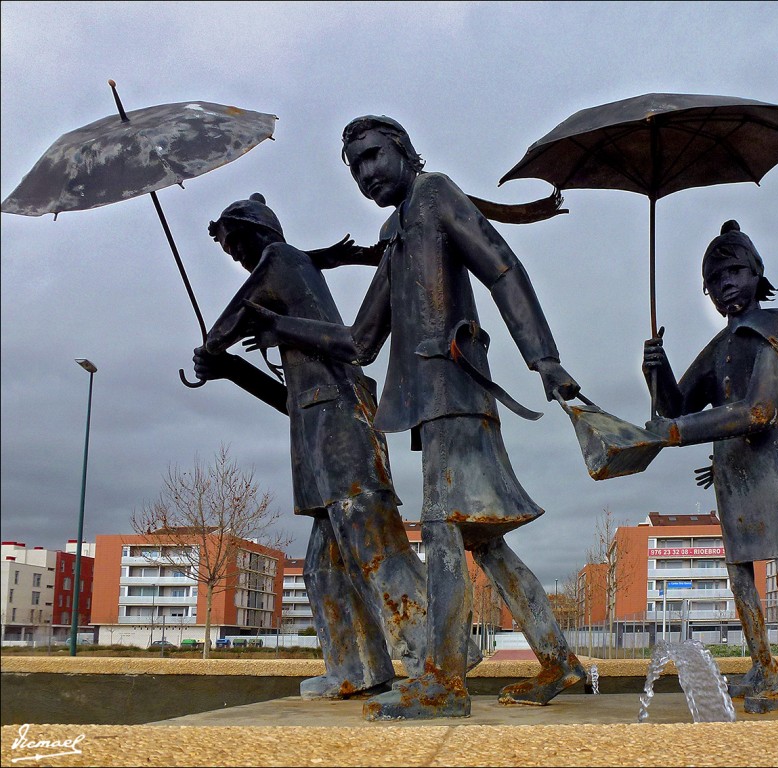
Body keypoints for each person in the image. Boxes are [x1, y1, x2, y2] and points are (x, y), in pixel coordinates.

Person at [241, 115, 585, 721]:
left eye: (373, 156)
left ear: (403, 150)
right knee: (486, 541)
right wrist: (278, 326)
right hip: (432, 406)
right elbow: (359, 340)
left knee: (445, 528)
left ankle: (442, 683)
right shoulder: (396, 228)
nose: (366, 172)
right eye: (355, 166)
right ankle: (559, 660)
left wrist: (544, 359)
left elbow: (502, 266)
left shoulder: (436, 195)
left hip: (457, 390)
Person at [193, 192, 441, 700]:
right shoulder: (291, 285)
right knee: (323, 567)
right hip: (318, 433)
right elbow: (288, 400)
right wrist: (229, 369)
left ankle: (434, 654)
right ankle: (357, 669)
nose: (237, 257)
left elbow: (227, 324)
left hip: (342, 431)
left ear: (256, 233)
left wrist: (212, 347)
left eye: (235, 244)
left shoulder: (279, 258)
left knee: (374, 545)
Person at [642, 220, 778, 713]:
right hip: (732, 465)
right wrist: (657, 368)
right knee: (739, 569)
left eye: (734, 271)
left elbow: (760, 411)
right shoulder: (719, 346)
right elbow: (676, 407)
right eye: (714, 280)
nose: (725, 284)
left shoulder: (775, 327)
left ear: (757, 271)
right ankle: (761, 662)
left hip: (775, 458)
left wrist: (675, 432)